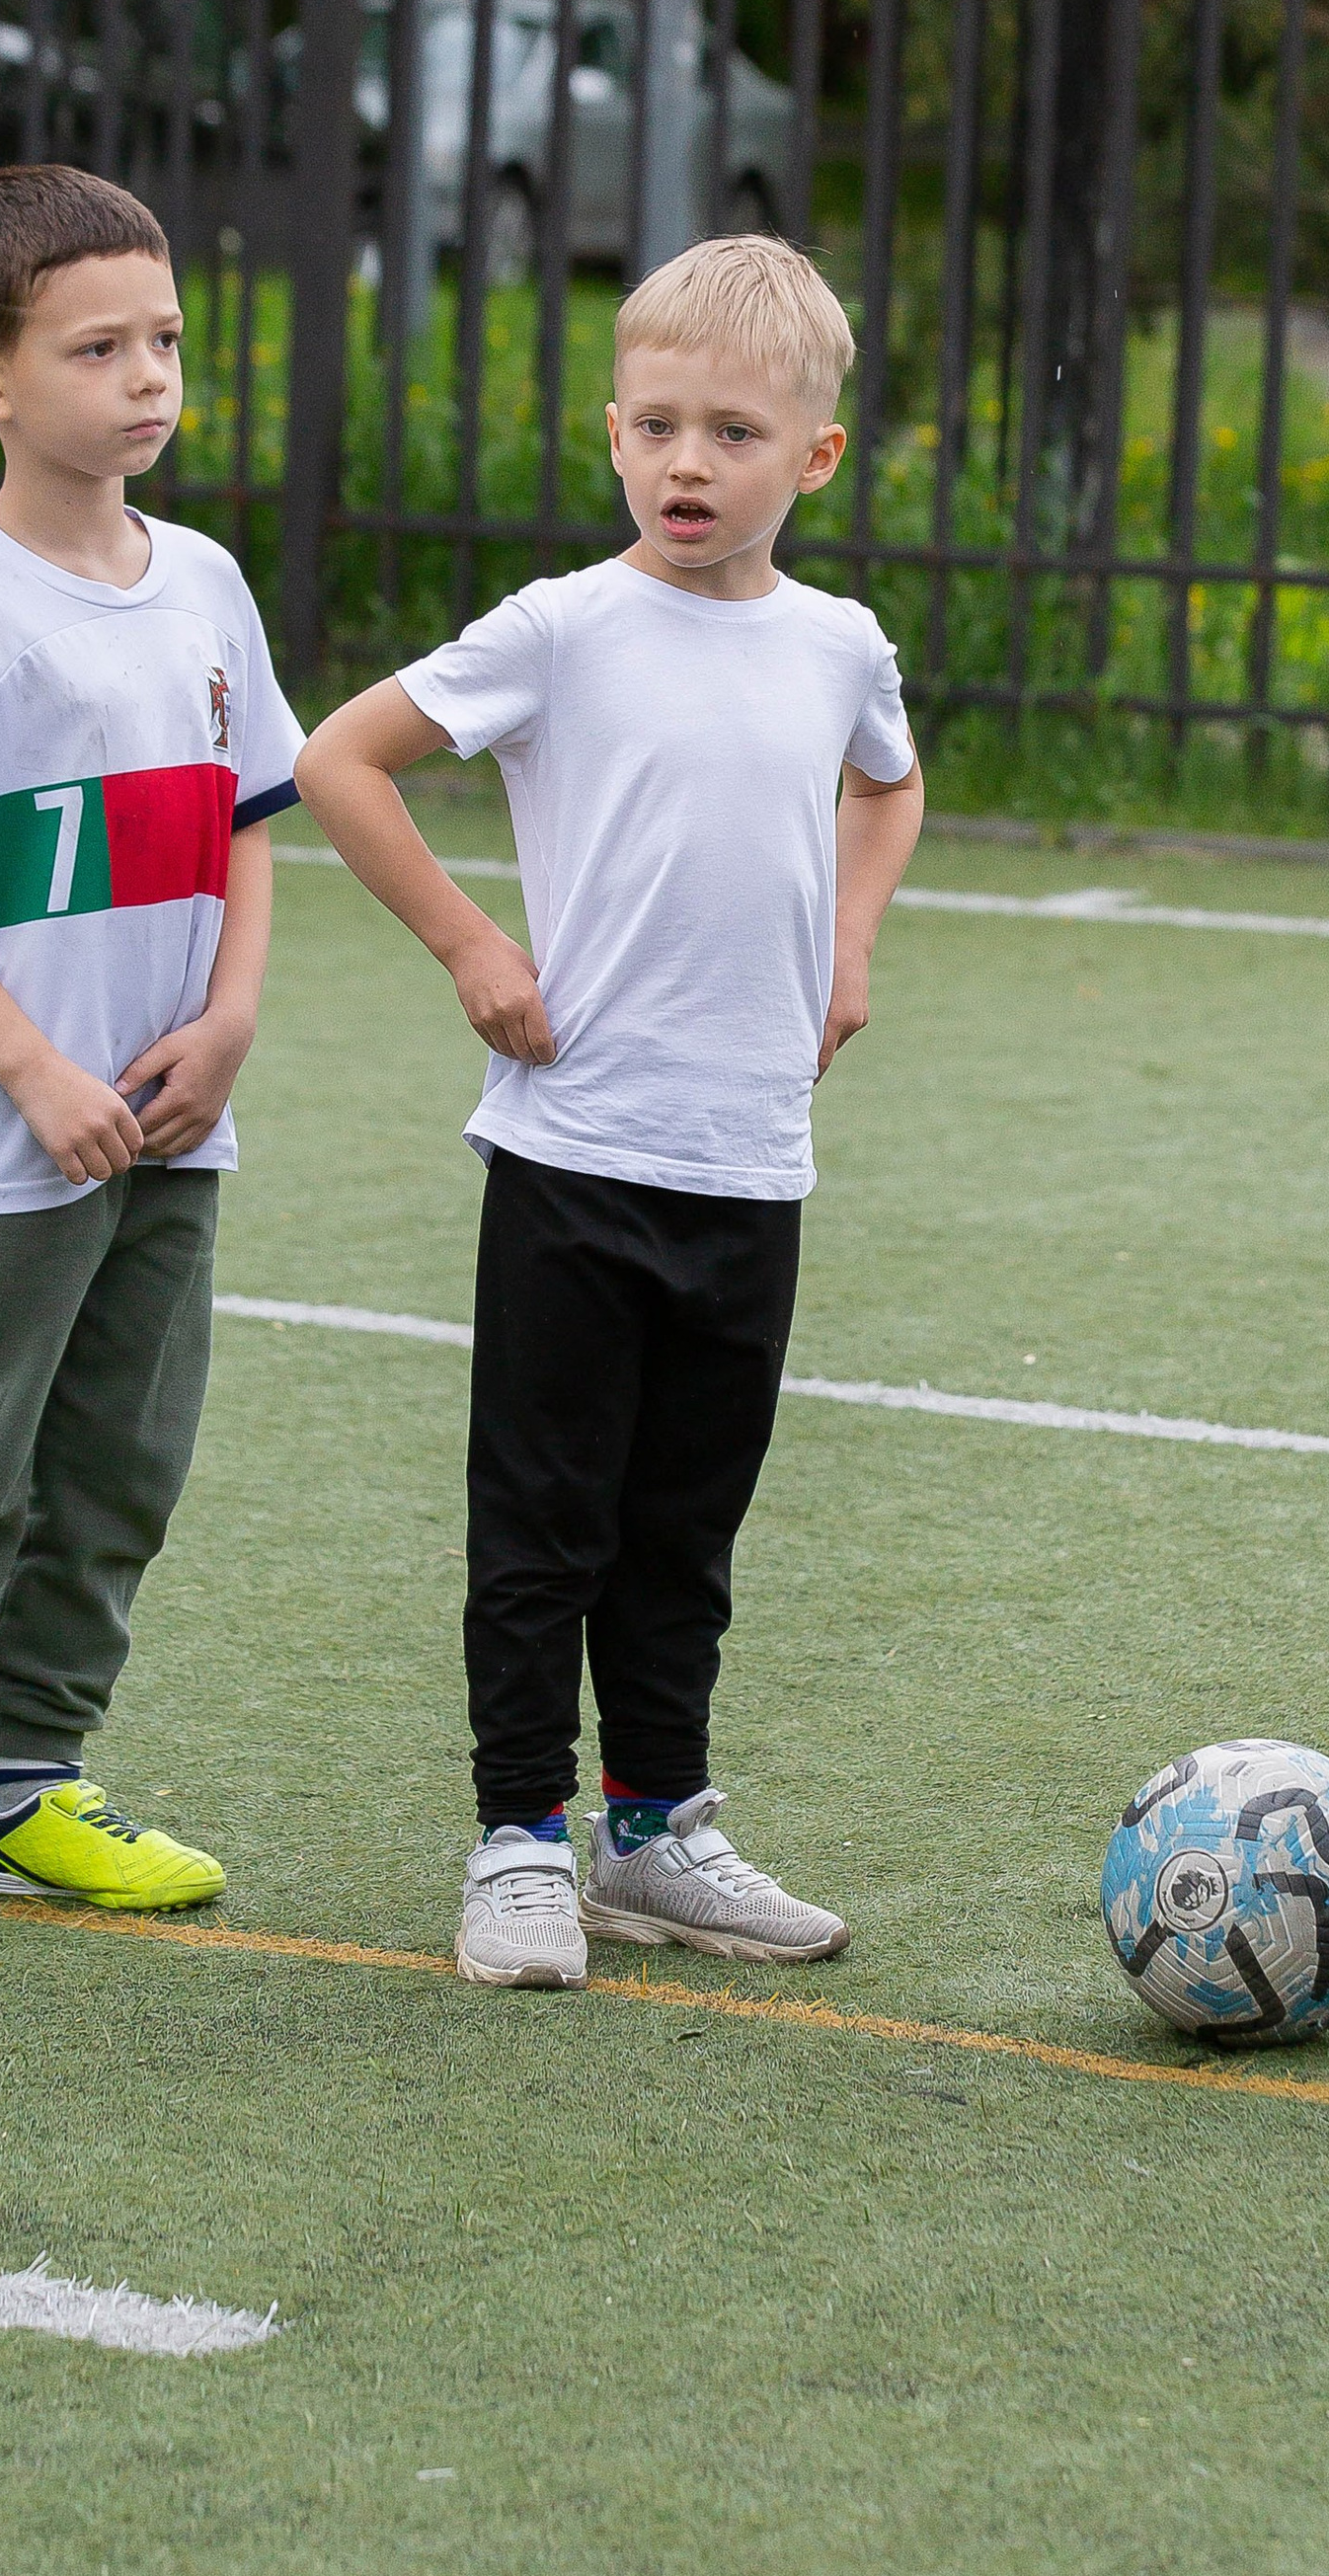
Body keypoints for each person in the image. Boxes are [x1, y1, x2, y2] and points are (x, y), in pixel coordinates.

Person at [296, 233, 922, 1991]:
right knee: (546, 1523)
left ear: (815, 458)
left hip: (749, 1168)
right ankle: (519, 1842)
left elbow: (891, 782)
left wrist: (851, 945)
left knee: (683, 1529)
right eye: (654, 426)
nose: (685, 464)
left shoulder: (837, 645)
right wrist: (472, 944)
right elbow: (340, 761)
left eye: (732, 431)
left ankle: (658, 1831)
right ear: (612, 435)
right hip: (574, 1160)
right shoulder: (561, 630)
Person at [0, 166, 301, 1939]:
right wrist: (33, 1070)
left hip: (176, 1124)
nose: (148, 379)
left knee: (120, 1464)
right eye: (98, 347)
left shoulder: (207, 584)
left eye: (164, 340)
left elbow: (253, 816)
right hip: (13, 1143)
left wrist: (233, 1018)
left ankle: (27, 1785)